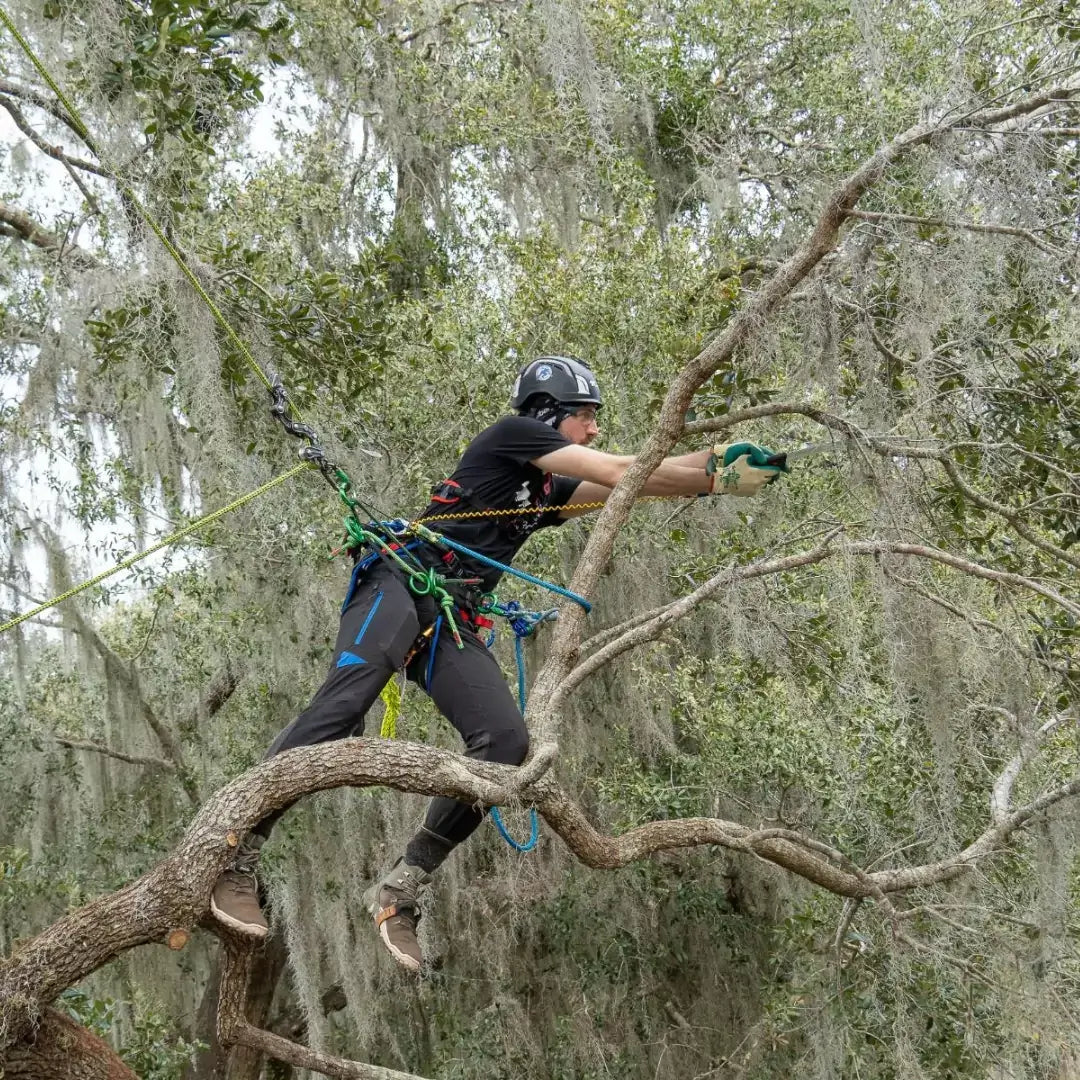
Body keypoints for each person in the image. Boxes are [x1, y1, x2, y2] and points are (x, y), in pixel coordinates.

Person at [209, 355, 785, 971]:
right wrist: (710, 471)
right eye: (585, 418)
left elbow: (635, 482)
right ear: (546, 415)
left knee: (506, 744)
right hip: (401, 582)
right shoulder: (510, 436)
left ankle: (402, 889)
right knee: (344, 705)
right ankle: (233, 848)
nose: (593, 430)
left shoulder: (544, 490)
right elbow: (622, 470)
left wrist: (713, 472)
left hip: (450, 616)